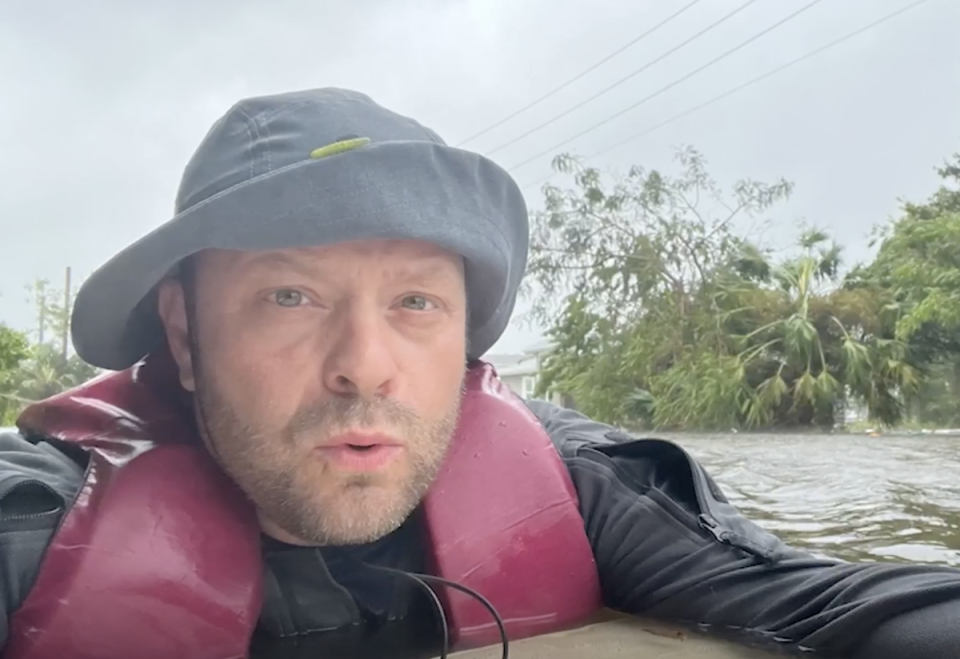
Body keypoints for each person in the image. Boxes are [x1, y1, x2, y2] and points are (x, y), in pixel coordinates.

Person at [1, 88, 958, 659]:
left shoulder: (575, 484)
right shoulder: (37, 522)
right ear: (182, 332)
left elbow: (834, 600)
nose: (365, 368)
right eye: (291, 297)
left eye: (416, 303)